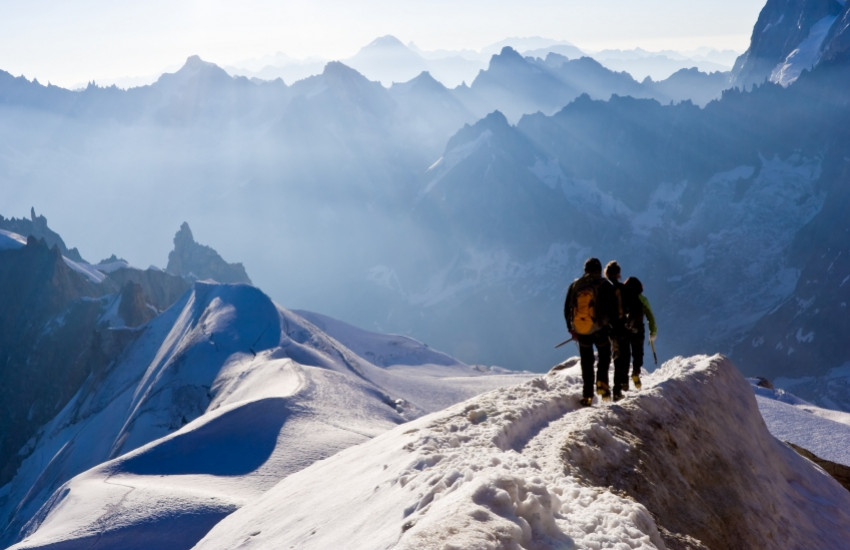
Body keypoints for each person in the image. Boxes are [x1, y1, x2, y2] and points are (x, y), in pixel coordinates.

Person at [564, 257, 617, 406]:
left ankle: (587, 395)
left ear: (585, 270)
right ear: (600, 270)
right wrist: (613, 329)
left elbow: (567, 309)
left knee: (586, 362)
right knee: (604, 357)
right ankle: (603, 386)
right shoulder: (605, 285)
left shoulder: (575, 285)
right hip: (601, 329)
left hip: (582, 330)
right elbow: (613, 309)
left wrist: (572, 328)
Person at [622, 276, 657, 389]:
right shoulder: (643, 299)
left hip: (624, 331)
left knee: (625, 355)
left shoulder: (622, 298)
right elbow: (650, 317)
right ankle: (636, 373)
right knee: (638, 354)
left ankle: (624, 380)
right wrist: (653, 332)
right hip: (638, 330)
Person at [604, 260, 629, 401]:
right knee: (623, 357)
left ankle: (614, 389)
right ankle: (618, 388)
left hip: (607, 329)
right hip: (621, 327)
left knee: (615, 357)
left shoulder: (602, 287)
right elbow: (627, 309)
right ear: (618, 274)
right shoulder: (621, 288)